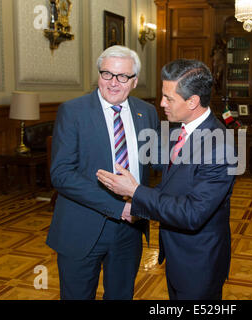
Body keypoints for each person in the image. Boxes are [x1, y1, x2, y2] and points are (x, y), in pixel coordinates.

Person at [97, 59, 236, 300]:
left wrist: (137, 191)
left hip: (199, 263)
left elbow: (193, 213)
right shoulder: (180, 131)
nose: (161, 104)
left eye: (168, 98)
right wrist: (137, 208)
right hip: (177, 256)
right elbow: (172, 188)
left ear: (192, 101)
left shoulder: (219, 145)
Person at [46, 45, 160, 300]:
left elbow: (159, 161)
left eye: (122, 76)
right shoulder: (73, 111)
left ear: (134, 81)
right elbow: (62, 174)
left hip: (130, 230)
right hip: (82, 227)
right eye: (106, 74)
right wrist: (118, 207)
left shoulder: (147, 113)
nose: (113, 82)